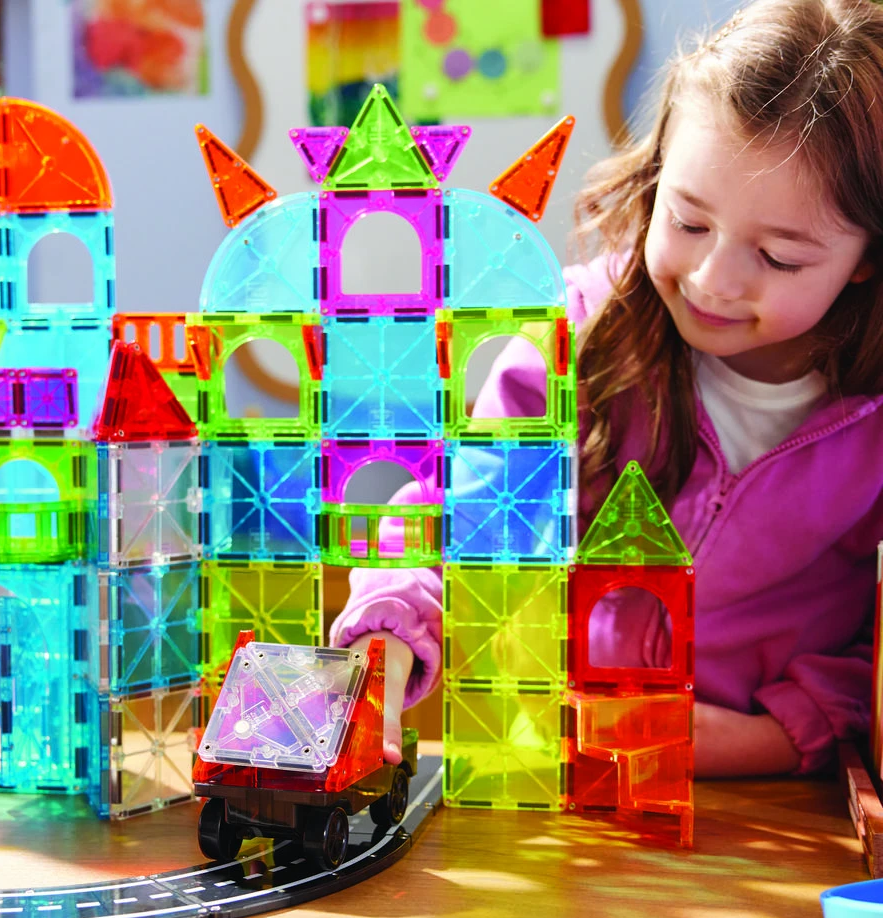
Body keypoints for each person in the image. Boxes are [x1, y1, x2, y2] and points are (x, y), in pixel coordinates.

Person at [329, 0, 883, 778]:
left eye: (779, 258)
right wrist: (385, 644)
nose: (713, 281)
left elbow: (869, 654)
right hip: (563, 764)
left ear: (866, 259)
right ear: (657, 182)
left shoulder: (869, 423)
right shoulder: (577, 344)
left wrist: (773, 737)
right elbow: (458, 526)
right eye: (689, 223)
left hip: (771, 793)